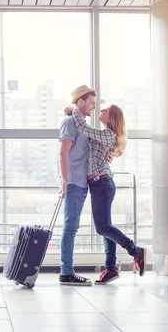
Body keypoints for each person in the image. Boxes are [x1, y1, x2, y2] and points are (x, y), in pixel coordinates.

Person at [65, 103, 146, 285]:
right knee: (106, 227)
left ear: (113, 117)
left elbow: (84, 128)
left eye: (105, 110)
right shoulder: (104, 134)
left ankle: (135, 251)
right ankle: (111, 268)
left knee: (103, 228)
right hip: (98, 184)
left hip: (102, 184)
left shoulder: (108, 134)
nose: (100, 111)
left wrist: (76, 111)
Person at [57, 85, 97, 286]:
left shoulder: (82, 125)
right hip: (73, 181)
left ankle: (67, 271)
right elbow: (63, 153)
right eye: (91, 103)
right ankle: (66, 272)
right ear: (80, 102)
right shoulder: (70, 122)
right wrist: (65, 181)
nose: (93, 107)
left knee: (72, 227)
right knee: (70, 227)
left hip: (81, 181)